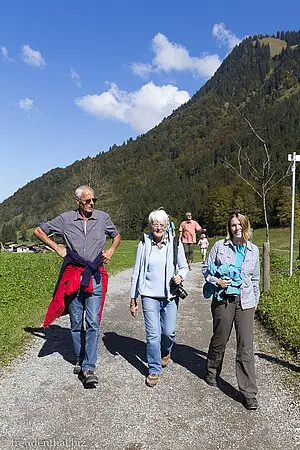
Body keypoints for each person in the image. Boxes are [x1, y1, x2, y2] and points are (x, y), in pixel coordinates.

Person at [34, 185, 121, 386]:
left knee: (92, 321)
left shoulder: (102, 217)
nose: (91, 203)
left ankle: (89, 366)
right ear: (78, 202)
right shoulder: (65, 219)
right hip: (74, 275)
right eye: (87, 201)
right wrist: (56, 247)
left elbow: (116, 236)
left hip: (94, 274)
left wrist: (111, 250)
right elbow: (39, 231)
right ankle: (80, 358)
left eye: (94, 200)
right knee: (75, 322)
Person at [202, 212, 260, 410]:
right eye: (233, 225)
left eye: (240, 224)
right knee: (220, 338)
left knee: (245, 345)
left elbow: (255, 281)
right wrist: (216, 281)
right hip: (223, 299)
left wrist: (254, 302)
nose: (237, 228)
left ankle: (249, 392)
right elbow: (206, 269)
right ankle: (212, 370)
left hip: (246, 302)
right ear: (230, 228)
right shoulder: (219, 246)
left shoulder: (253, 251)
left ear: (246, 227)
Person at [130, 209, 189, 387]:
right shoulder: (144, 243)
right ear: (151, 225)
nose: (158, 227)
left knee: (168, 332)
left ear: (166, 225)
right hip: (148, 295)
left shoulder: (175, 243)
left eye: (161, 224)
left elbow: (184, 266)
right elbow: (136, 272)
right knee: (153, 334)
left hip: (170, 295)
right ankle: (154, 369)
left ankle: (165, 351)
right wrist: (133, 299)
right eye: (155, 224)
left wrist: (181, 276)